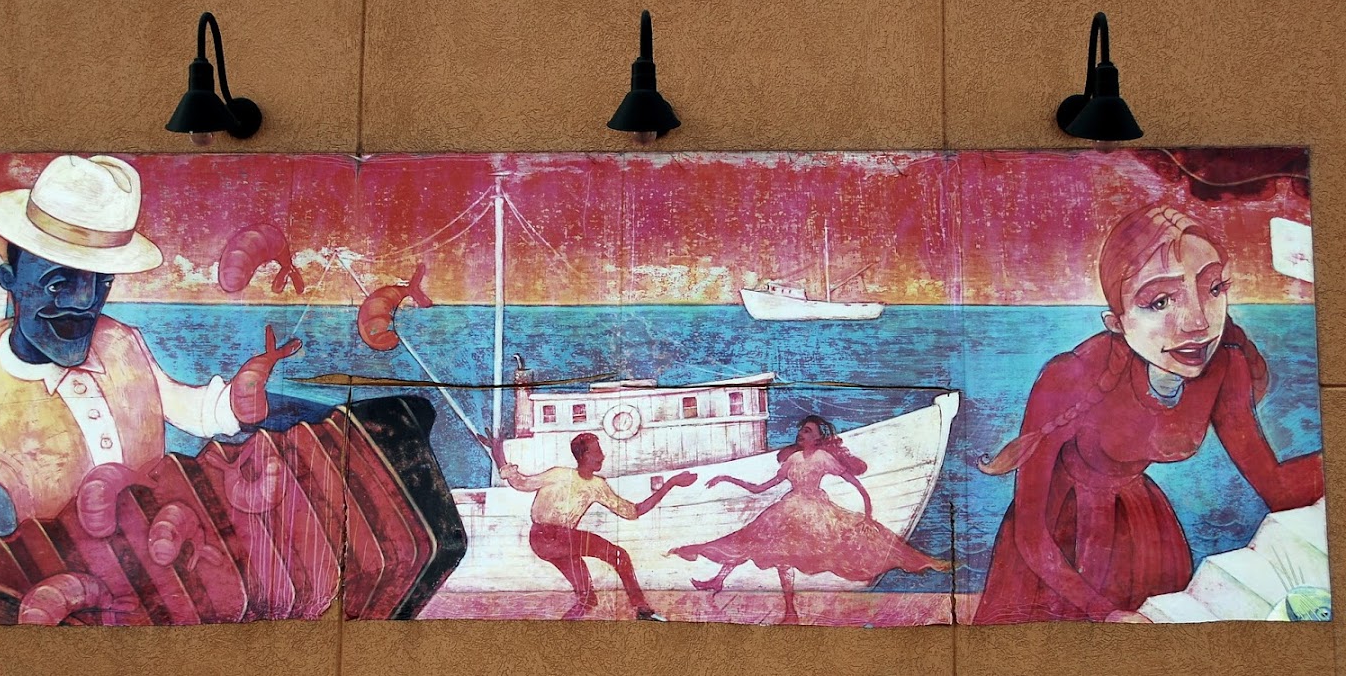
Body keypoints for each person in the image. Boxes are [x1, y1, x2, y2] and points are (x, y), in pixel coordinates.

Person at [0, 155, 301, 563]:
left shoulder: (120, 340)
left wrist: (234, 400)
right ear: (11, 282)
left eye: (101, 283)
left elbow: (178, 404)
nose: (84, 301)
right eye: (57, 283)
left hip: (159, 552)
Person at [974, 205, 1324, 624]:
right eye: (1160, 301)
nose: (1197, 322)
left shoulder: (1224, 369)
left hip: (1144, 536)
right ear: (1116, 321)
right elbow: (1030, 532)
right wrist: (1105, 613)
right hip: (1057, 552)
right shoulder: (1069, 377)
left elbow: (1278, 488)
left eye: (1213, 288)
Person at [670, 415, 952, 624]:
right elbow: (760, 488)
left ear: (817, 438)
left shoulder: (823, 458)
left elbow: (855, 483)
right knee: (750, 539)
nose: (801, 434)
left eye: (807, 431)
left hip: (814, 513)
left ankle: (788, 611)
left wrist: (868, 513)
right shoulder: (793, 461)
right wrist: (726, 477)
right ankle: (723, 582)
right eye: (801, 430)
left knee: (785, 554)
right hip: (788, 509)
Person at [490, 431, 697, 620]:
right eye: (597, 452)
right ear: (583, 455)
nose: (602, 456)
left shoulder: (598, 486)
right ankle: (642, 610)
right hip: (545, 537)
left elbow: (633, 512)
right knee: (618, 556)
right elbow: (520, 483)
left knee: (588, 600)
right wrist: (498, 454)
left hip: (561, 541)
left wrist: (670, 484)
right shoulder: (558, 474)